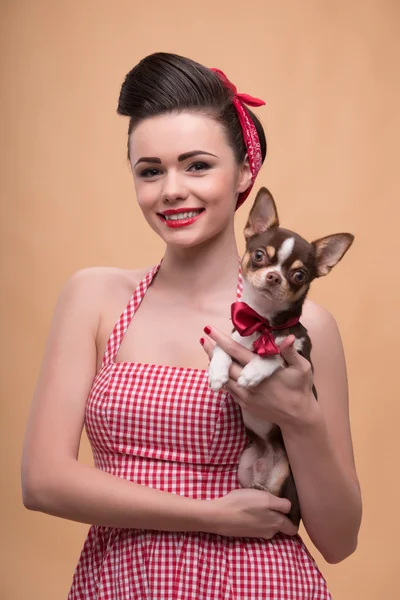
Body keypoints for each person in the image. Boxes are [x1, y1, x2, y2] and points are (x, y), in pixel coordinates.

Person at [21, 52, 362, 599]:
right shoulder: (94, 297)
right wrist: (208, 515)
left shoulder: (306, 328)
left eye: (197, 165)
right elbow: (41, 482)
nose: (172, 189)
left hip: (262, 583)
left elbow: (340, 539)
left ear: (245, 173)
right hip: (121, 582)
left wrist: (301, 419)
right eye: (150, 170)